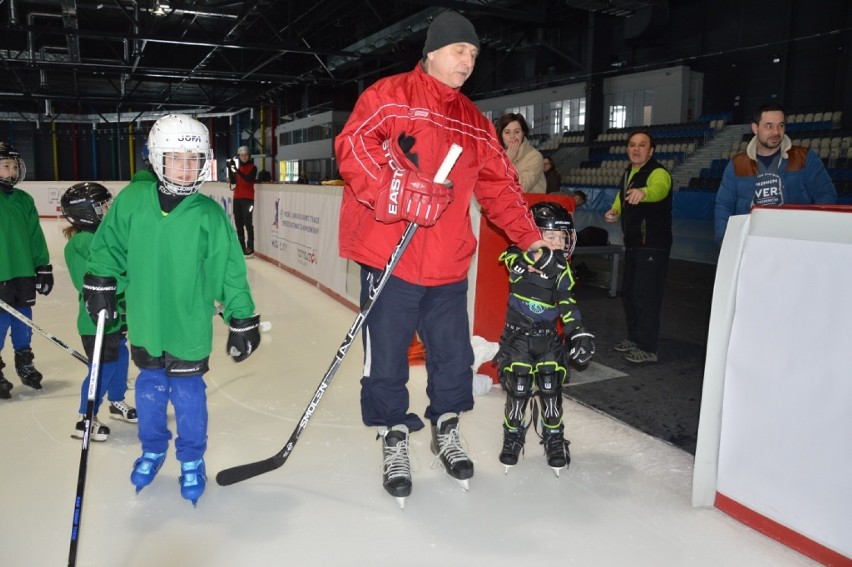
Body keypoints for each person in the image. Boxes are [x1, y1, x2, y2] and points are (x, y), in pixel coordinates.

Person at [334, 10, 549, 507]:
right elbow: (353, 148)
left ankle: (446, 427)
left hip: (448, 265)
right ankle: (393, 434)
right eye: (459, 51)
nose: (467, 61)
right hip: (392, 259)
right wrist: (402, 191)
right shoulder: (388, 97)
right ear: (431, 52)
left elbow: (501, 187)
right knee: (386, 360)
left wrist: (529, 236)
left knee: (452, 357)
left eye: (474, 54)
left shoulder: (474, 122)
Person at [83, 114, 261, 505]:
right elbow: (109, 247)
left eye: (193, 159)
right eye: (176, 158)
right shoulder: (132, 201)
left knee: (187, 394)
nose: (185, 167)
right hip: (146, 322)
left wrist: (242, 317)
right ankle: (152, 447)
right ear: (157, 159)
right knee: (149, 390)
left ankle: (192, 457)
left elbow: (229, 272)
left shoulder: (208, 215)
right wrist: (100, 282)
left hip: (188, 326)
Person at [494, 202, 595, 477]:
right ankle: (512, 436)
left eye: (561, 238)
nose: (558, 243)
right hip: (518, 339)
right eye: (550, 236)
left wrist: (578, 331)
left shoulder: (563, 270)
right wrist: (533, 257)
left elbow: (568, 303)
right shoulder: (516, 255)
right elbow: (513, 262)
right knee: (518, 390)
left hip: (548, 339)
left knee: (551, 390)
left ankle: (554, 438)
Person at [61, 182, 137, 441]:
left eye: (108, 203)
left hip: (116, 315)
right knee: (103, 368)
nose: (108, 209)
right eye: (102, 206)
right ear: (84, 212)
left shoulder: (104, 236)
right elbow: (93, 281)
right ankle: (86, 418)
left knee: (121, 358)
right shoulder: (82, 242)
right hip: (97, 319)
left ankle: (116, 402)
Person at [714, 102, 836, 243]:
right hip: (752, 242)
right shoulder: (737, 164)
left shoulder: (804, 157)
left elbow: (826, 194)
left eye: (781, 126)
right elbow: (724, 205)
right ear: (755, 128)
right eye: (769, 126)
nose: (776, 132)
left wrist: (809, 231)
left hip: (794, 241)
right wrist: (725, 241)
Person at [604, 130, 672, 364]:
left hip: (652, 244)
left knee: (647, 296)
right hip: (633, 243)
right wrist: (615, 210)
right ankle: (634, 338)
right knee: (631, 294)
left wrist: (645, 192)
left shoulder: (658, 172)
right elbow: (622, 196)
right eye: (632, 144)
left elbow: (660, 189)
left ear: (651, 150)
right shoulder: (629, 172)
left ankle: (647, 347)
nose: (636, 149)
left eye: (642, 145)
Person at [0, 142, 53, 399]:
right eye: (5, 166)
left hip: (22, 272)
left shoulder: (24, 199)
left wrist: (42, 266)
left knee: (23, 320)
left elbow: (35, 236)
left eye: (13, 166)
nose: (11, 171)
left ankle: (24, 361)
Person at [496, 113, 546, 193]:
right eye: (507, 132)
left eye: (516, 132)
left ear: (523, 133)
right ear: (501, 135)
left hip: (528, 204)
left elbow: (522, 188)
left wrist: (508, 163)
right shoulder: (496, 156)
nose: (512, 136)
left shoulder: (535, 157)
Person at [227, 145, 258, 258]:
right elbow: (233, 181)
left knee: (248, 223)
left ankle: (250, 247)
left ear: (249, 156)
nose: (244, 157)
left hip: (248, 199)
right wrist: (230, 169)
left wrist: (236, 171)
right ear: (239, 156)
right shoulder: (238, 169)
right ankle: (241, 246)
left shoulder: (253, 168)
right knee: (239, 223)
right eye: (241, 155)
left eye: (245, 155)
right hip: (237, 198)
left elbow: (249, 179)